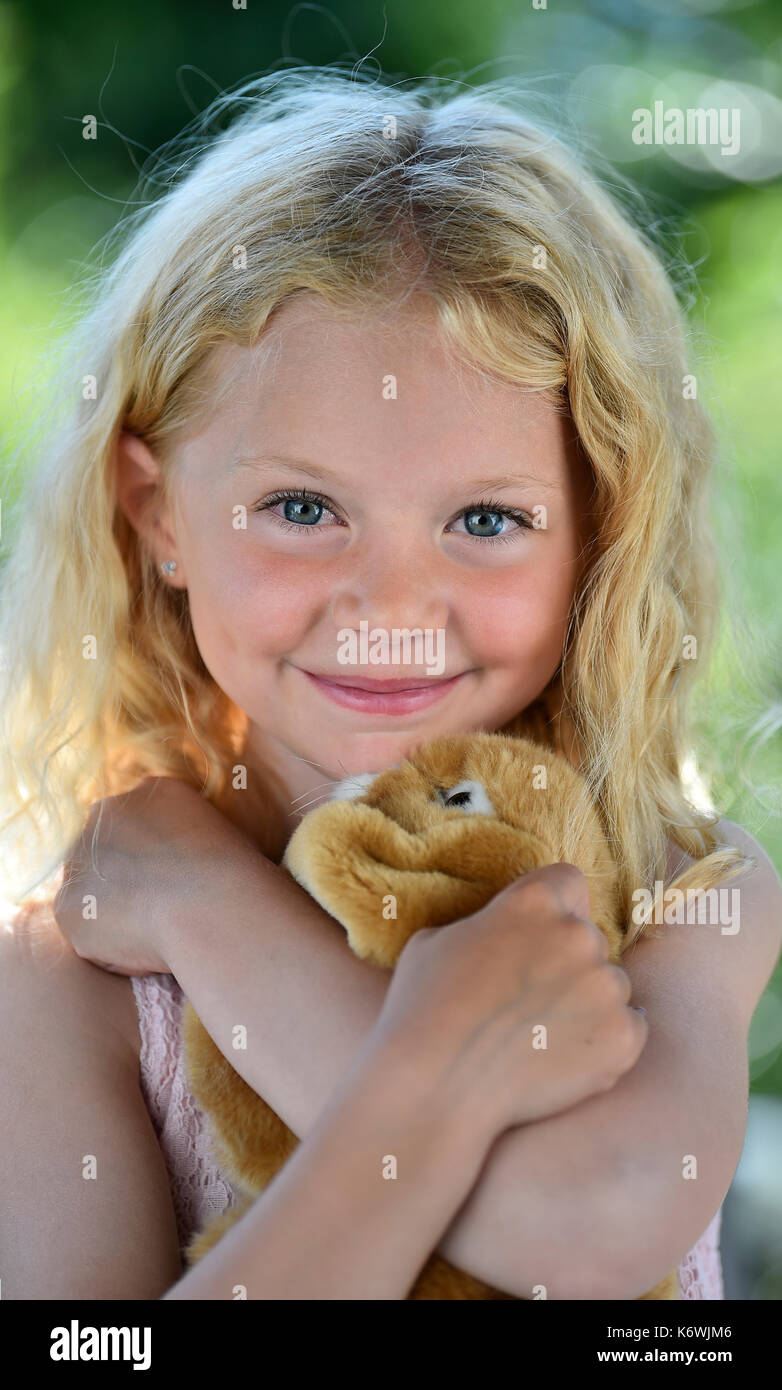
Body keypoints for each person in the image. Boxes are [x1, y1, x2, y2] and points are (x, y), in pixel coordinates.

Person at [1, 67, 780, 1301]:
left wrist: (208, 906)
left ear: (600, 530)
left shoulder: (686, 893)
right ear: (154, 515)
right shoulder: (71, 975)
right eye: (302, 507)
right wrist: (434, 1068)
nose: (390, 608)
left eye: (485, 516)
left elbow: (582, 1228)